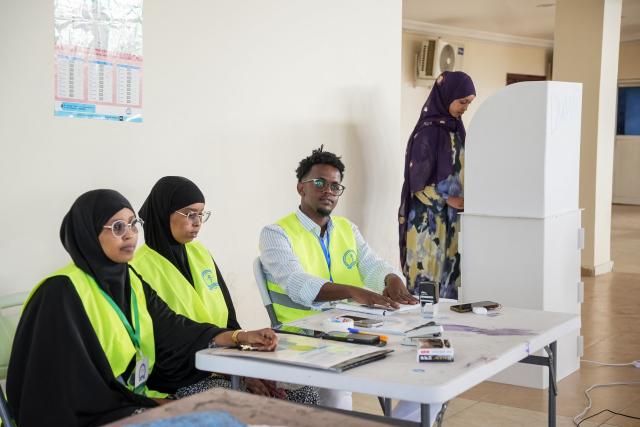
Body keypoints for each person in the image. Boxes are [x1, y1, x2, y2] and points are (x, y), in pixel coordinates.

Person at [6, 189, 277, 427]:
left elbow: (174, 329)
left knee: (230, 415)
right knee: (217, 419)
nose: (130, 235)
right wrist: (146, 404)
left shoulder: (129, 280)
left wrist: (237, 337)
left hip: (128, 400)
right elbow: (68, 387)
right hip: (86, 414)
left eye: (133, 224)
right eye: (117, 227)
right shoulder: (60, 292)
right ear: (88, 232)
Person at [130, 176, 318, 404]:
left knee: (303, 390)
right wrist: (231, 371)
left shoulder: (199, 253)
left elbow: (229, 319)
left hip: (221, 361)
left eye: (201, 214)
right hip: (178, 377)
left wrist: (245, 366)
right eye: (190, 214)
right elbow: (165, 340)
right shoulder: (137, 268)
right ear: (163, 213)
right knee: (247, 401)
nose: (197, 222)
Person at [259, 146, 416, 409]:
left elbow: (371, 264)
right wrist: (352, 291)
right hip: (305, 334)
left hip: (351, 328)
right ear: (301, 188)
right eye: (319, 183)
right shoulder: (276, 233)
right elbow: (297, 283)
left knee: (421, 360)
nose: (328, 191)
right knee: (336, 397)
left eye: (335, 186)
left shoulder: (346, 228)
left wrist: (391, 278)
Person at [398, 71, 476, 300]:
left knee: (450, 280)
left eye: (469, 103)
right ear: (447, 95)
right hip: (427, 223)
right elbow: (417, 184)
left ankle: (448, 335)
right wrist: (447, 199)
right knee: (427, 283)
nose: (465, 108)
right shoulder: (428, 132)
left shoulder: (457, 130)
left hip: (453, 220)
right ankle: (420, 335)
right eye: (462, 102)